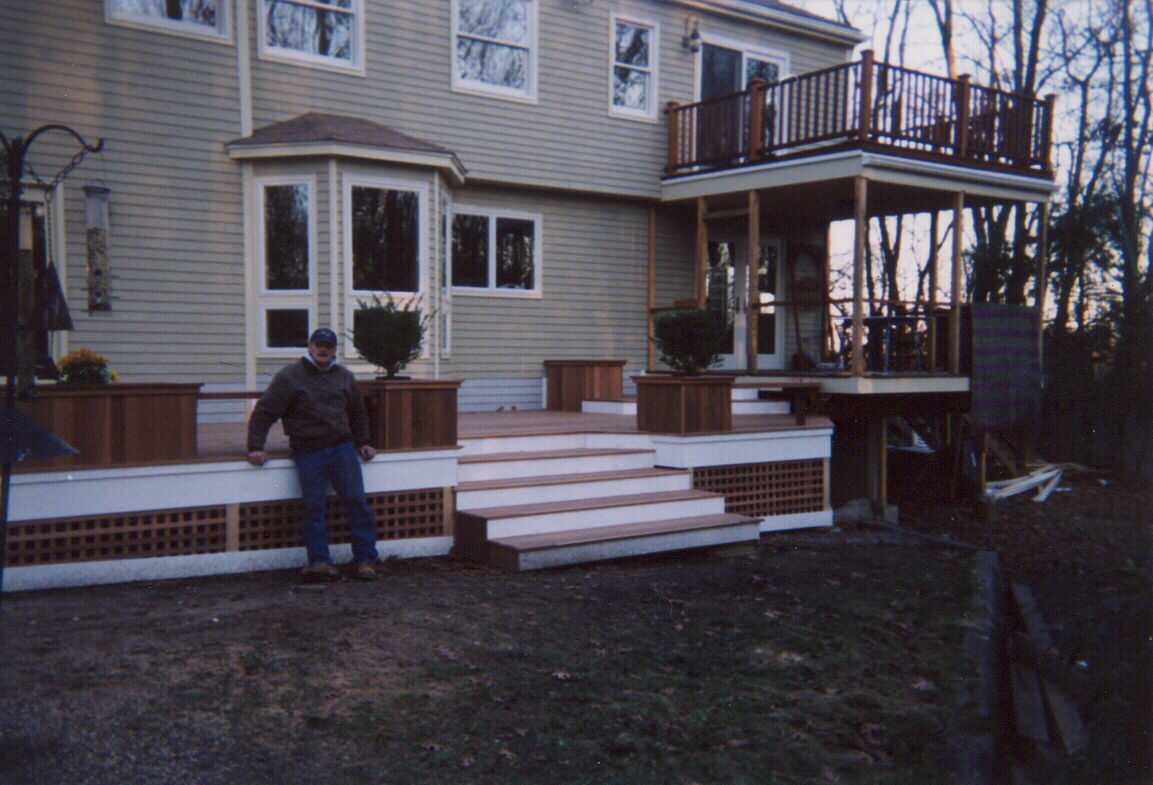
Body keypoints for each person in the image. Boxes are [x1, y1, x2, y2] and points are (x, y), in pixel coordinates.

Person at [246, 327, 381, 582]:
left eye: (328, 346)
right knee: (314, 508)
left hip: (342, 448)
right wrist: (255, 446)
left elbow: (358, 413)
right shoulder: (289, 377)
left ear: (334, 351)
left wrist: (364, 442)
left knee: (357, 503)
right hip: (308, 451)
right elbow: (264, 412)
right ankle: (319, 562)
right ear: (310, 347)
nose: (323, 350)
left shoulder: (344, 377)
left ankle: (365, 560)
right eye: (319, 345)